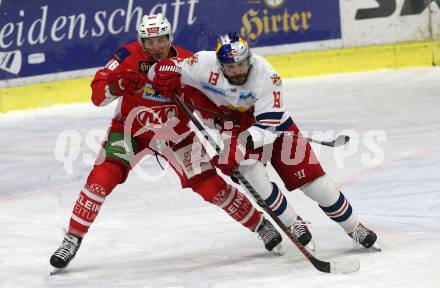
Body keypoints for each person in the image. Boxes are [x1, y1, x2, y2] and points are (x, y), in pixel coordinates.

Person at [50, 16, 286, 272]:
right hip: (131, 131)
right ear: (141, 41)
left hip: (176, 135)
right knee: (101, 179)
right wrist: (116, 86)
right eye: (148, 41)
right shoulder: (125, 56)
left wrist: (221, 122)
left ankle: (260, 225)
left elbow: (203, 104)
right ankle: (72, 238)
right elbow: (97, 95)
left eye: (160, 40)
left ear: (169, 38)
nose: (155, 46)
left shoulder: (188, 62)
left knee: (211, 186)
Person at [149, 32, 380, 250]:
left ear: (249, 58)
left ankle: (354, 228)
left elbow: (268, 127)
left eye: (241, 64)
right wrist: (161, 74)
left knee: (315, 184)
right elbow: (165, 69)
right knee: (257, 181)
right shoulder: (202, 63)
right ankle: (293, 224)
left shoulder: (267, 76)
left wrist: (238, 147)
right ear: (220, 65)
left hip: (272, 126)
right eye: (230, 66)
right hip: (231, 128)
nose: (237, 70)